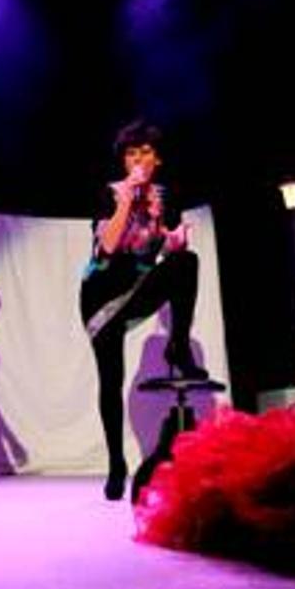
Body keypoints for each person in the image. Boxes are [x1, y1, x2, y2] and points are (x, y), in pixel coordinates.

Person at [80, 119, 208, 501]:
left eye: (145, 152)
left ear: (157, 159)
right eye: (131, 153)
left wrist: (175, 241)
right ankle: (116, 464)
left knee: (188, 262)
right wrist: (127, 201)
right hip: (102, 297)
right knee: (111, 378)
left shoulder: (165, 198)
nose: (138, 159)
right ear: (124, 161)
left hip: (138, 287)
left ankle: (178, 346)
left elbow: (163, 250)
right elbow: (108, 247)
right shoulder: (111, 192)